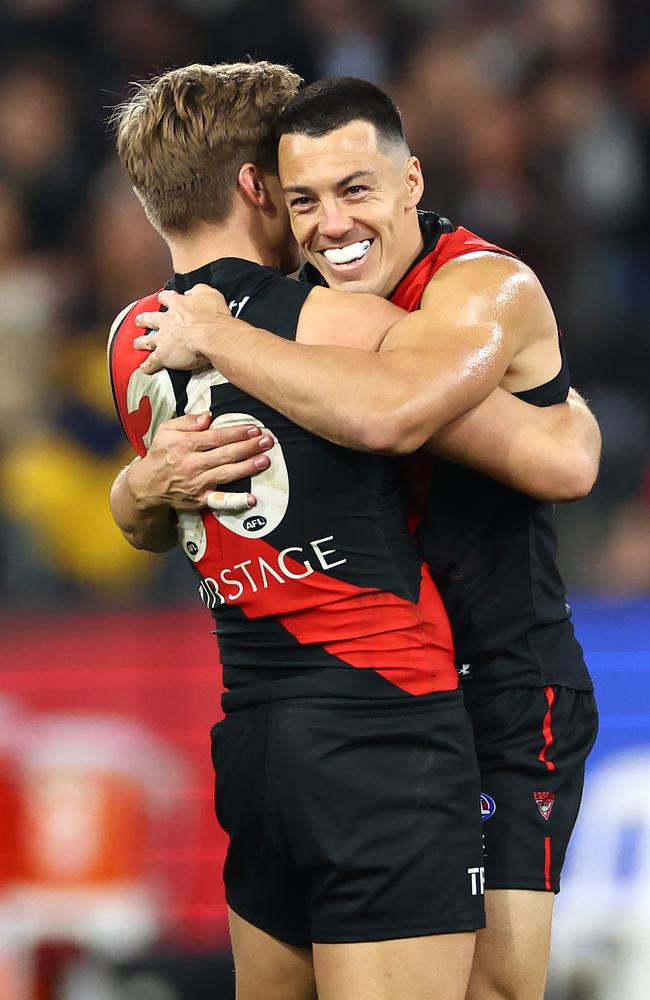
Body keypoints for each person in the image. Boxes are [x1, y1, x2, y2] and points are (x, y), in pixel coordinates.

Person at [133, 77, 600, 1000]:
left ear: (411, 181)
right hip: (384, 696)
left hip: (502, 681)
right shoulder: (314, 303)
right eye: (303, 200)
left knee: (493, 990)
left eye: (355, 191)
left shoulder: (480, 285)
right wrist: (139, 485)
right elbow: (558, 450)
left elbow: (406, 418)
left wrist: (221, 339)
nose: (331, 224)